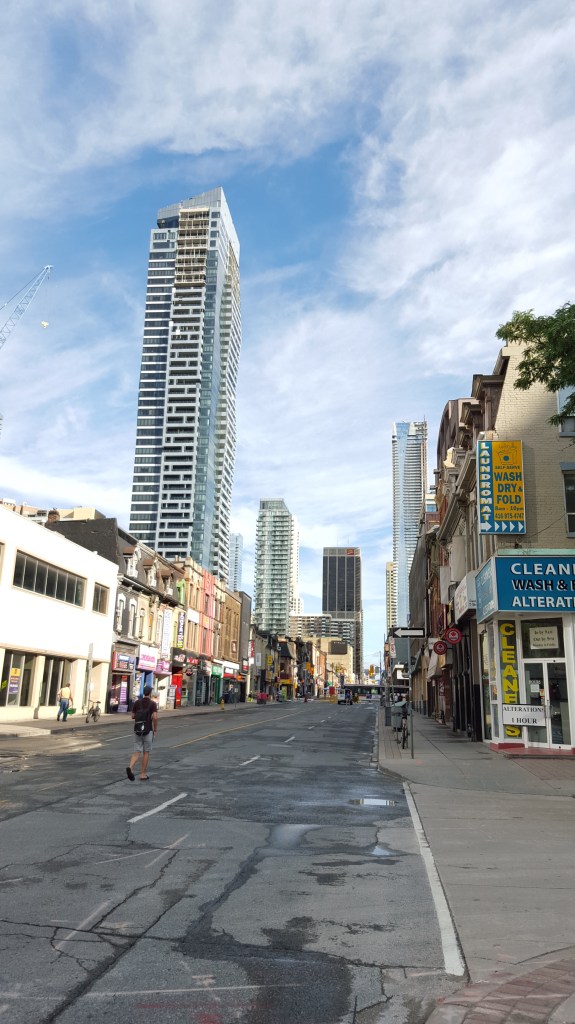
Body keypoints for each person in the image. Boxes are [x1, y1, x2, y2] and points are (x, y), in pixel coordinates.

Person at [126, 685, 158, 781]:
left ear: (143, 693)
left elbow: (132, 716)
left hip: (137, 730)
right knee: (146, 752)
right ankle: (143, 774)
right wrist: (155, 729)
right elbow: (155, 717)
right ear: (150, 693)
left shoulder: (137, 703)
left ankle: (130, 767)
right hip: (148, 730)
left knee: (137, 751)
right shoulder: (152, 704)